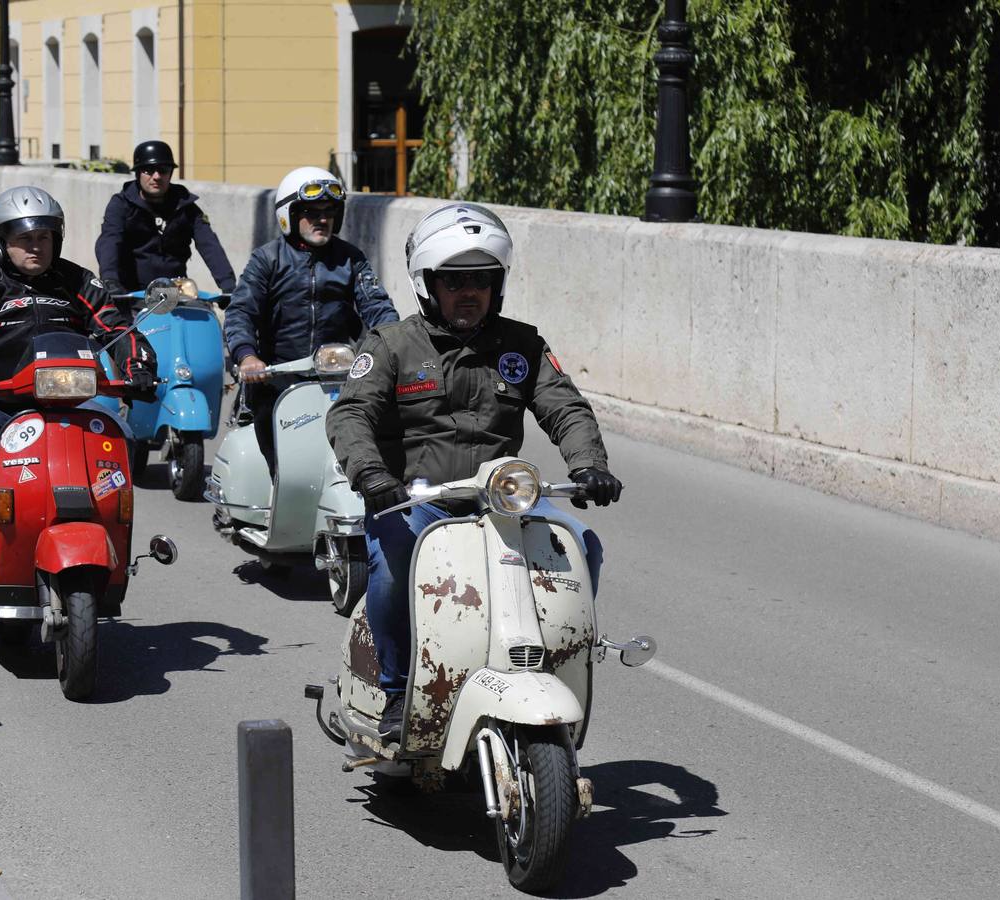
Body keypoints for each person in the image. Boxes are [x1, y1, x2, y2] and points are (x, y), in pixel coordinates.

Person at [325, 203, 624, 743]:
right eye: (455, 280)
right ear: (428, 284)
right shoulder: (392, 345)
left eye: (482, 281)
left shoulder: (523, 345)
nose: (470, 292)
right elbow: (350, 413)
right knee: (395, 563)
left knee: (583, 545)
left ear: (498, 284)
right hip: (416, 501)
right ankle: (396, 691)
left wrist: (589, 465)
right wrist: (371, 475)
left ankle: (547, 662)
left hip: (503, 500)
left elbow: (566, 408)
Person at [0, 186, 157, 553]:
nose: (36, 246)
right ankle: (2, 544)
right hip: (0, 403)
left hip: (75, 404)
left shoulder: (79, 281)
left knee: (124, 439)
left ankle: (106, 543)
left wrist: (139, 368)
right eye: (24, 238)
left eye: (44, 237)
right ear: (1, 242)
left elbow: (117, 329)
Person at [223, 166, 399, 476]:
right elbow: (241, 311)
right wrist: (248, 357)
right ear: (288, 214)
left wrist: (395, 343)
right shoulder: (267, 259)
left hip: (336, 378)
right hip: (276, 380)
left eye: (328, 211)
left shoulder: (351, 259)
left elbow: (377, 306)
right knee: (272, 465)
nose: (322, 219)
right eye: (311, 212)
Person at [95, 140, 237, 307]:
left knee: (204, 323)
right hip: (131, 296)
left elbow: (209, 245)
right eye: (149, 171)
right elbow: (110, 241)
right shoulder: (121, 205)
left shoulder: (186, 206)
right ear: (138, 173)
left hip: (175, 293)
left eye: (163, 171)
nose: (156, 177)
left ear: (170, 173)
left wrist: (229, 286)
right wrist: (110, 281)